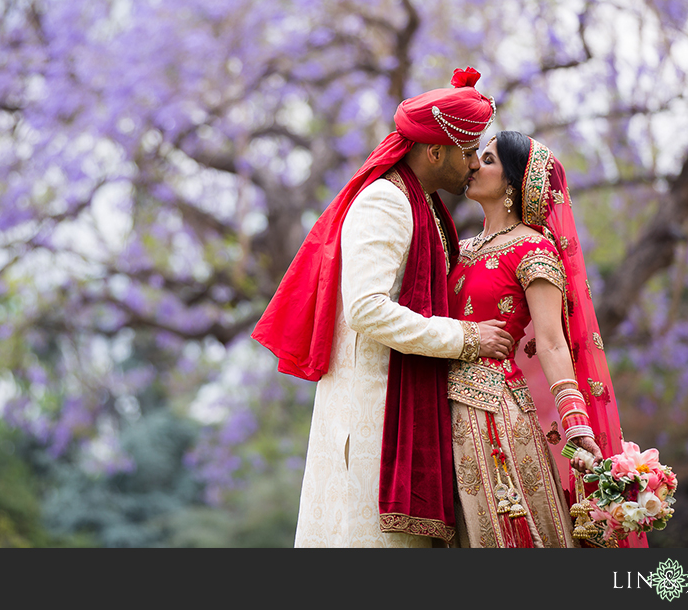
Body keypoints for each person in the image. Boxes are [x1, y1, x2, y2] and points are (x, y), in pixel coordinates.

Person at [252, 67, 515, 547]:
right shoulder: (386, 202)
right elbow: (367, 309)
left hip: (402, 412)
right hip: (377, 420)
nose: (474, 164)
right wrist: (465, 338)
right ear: (434, 151)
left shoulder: (423, 205)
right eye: (467, 152)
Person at [446, 130, 646, 548]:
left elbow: (553, 342)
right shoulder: (460, 250)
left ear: (513, 183)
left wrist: (575, 423)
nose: (472, 166)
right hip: (441, 403)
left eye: (487, 160)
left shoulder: (533, 250)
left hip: (494, 416)